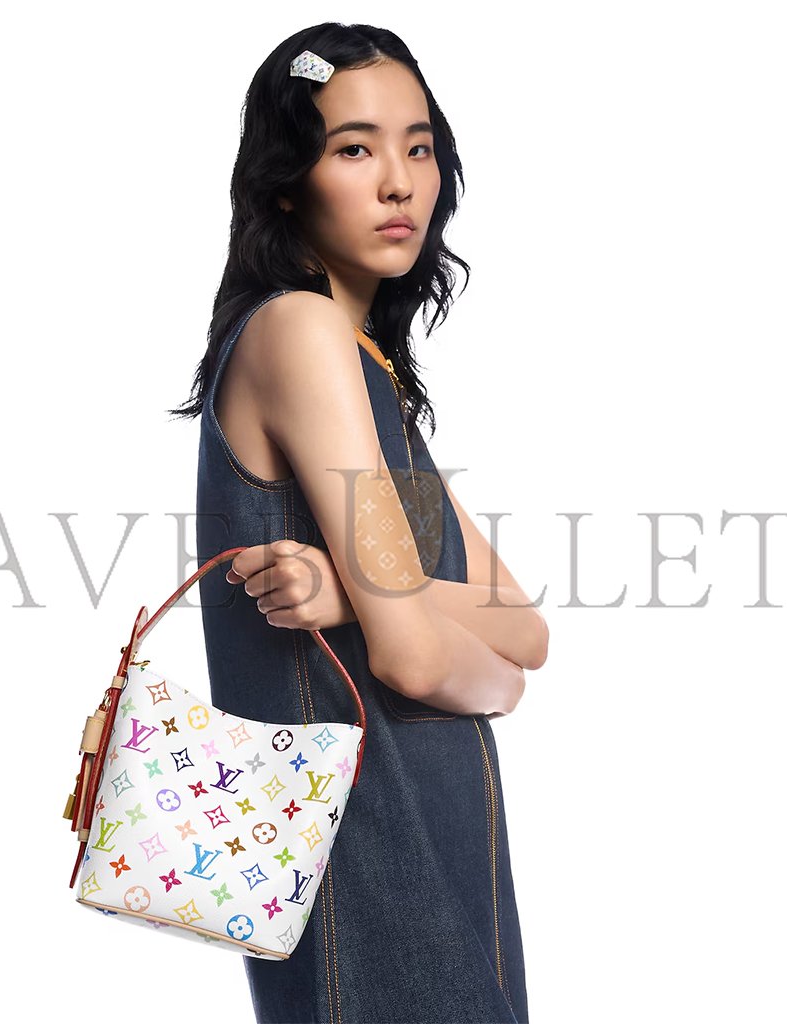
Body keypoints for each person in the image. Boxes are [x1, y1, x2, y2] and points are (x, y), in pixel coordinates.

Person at [169, 22, 548, 1024]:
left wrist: (360, 592)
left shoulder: (365, 365)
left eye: (419, 148)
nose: (398, 183)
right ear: (286, 182)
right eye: (353, 148)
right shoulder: (298, 331)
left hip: (434, 830)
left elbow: (525, 627)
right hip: (368, 851)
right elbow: (428, 660)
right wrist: (479, 669)